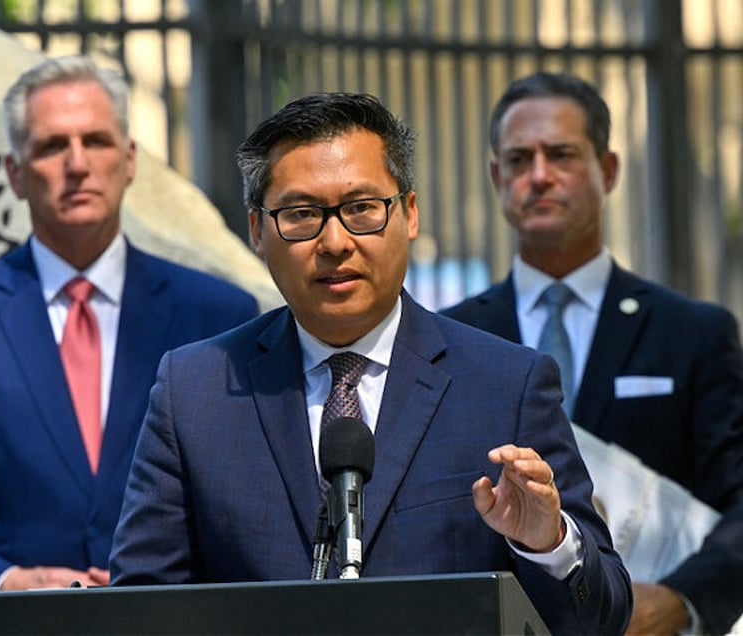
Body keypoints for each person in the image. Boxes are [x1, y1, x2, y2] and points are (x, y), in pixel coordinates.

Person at [109, 91, 632, 634]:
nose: (335, 242)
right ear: (258, 232)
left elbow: (605, 617)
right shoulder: (194, 392)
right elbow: (140, 607)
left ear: (408, 213)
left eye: (361, 208)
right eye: (302, 214)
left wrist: (545, 543)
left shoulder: (507, 385)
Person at [0, 55, 258, 635]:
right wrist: (4, 582)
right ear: (14, 172)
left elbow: (248, 502)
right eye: (50, 146)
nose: (77, 164)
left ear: (130, 160)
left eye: (96, 140)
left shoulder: (219, 316)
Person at [440, 71, 743, 635]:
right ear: (495, 177)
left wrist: (682, 599)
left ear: (608, 170)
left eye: (561, 155)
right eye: (518, 159)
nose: (538, 176)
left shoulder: (692, 334)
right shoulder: (448, 338)